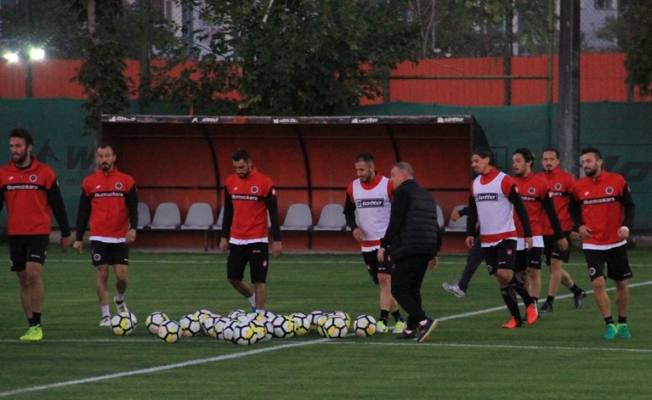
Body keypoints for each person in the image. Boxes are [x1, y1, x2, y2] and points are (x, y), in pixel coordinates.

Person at [0, 128, 71, 341]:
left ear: (29, 147)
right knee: (22, 278)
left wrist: (66, 233)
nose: (14, 150)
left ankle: (38, 325)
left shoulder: (45, 173)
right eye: (12, 146)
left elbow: (58, 205)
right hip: (15, 233)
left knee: (32, 272)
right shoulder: (3, 174)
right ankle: (31, 325)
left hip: (39, 232)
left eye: (19, 146)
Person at [465, 147, 538, 329]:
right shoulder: (475, 184)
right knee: (501, 279)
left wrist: (528, 234)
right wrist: (470, 233)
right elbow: (473, 210)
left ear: (487, 160)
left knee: (505, 273)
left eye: (476, 161)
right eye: (472, 161)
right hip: (487, 239)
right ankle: (516, 318)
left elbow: (521, 207)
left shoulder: (504, 180)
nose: (473, 164)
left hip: (506, 236)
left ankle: (530, 303)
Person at [571, 147, 635, 340]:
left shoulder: (617, 181)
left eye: (589, 161)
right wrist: (579, 225)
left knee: (621, 283)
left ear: (600, 162)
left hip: (615, 242)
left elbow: (630, 206)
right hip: (592, 243)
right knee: (598, 283)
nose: (585, 165)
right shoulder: (579, 186)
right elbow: (573, 208)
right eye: (583, 162)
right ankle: (609, 324)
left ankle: (622, 323)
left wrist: (626, 227)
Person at [73, 144, 138, 326]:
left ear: (114, 157)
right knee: (102, 274)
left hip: (119, 236)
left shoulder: (126, 181)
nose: (104, 159)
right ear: (97, 158)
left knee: (122, 277)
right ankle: (106, 316)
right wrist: (78, 238)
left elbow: (133, 206)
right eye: (100, 156)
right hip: (99, 236)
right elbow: (83, 211)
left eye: (107, 156)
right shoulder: (89, 182)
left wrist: (133, 228)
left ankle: (119, 298)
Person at [378, 162, 440, 343]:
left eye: (393, 175)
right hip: (426, 246)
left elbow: (395, 221)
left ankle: (423, 320)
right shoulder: (425, 195)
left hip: (409, 247)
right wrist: (434, 250)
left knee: (397, 287)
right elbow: (433, 224)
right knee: (413, 289)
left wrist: (384, 244)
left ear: (404, 175)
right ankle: (411, 328)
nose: (391, 180)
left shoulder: (403, 193)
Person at [343, 153, 405, 334]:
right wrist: (354, 227)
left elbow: (400, 209)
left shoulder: (387, 185)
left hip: (386, 243)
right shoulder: (352, 188)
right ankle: (400, 320)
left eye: (362, 169)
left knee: (384, 280)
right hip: (366, 245)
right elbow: (347, 212)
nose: (359, 173)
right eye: (356, 170)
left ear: (371, 167)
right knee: (383, 286)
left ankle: (382, 321)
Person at [220, 149, 282, 314]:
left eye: (241, 167)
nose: (238, 171)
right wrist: (224, 236)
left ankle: (260, 317)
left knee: (259, 280)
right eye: (235, 168)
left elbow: (274, 213)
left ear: (249, 163)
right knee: (233, 278)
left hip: (258, 240)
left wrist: (277, 240)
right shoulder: (230, 182)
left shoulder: (264, 182)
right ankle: (254, 301)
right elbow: (228, 211)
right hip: (236, 239)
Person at [511, 148, 567, 309]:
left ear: (529, 162)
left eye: (518, 161)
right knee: (518, 274)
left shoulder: (540, 184)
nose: (515, 164)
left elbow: (551, 213)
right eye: (513, 161)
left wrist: (561, 235)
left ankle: (532, 306)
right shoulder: (508, 183)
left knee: (533, 271)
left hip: (534, 235)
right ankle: (521, 305)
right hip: (513, 236)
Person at [537, 148, 586, 313]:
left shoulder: (567, 179)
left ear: (558, 161)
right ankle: (577, 291)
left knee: (555, 265)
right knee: (551, 267)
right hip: (543, 231)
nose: (548, 162)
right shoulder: (538, 180)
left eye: (552, 159)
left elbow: (579, 203)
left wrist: (575, 226)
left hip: (562, 230)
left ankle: (549, 302)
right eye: (545, 159)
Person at [441, 206, 484, 297]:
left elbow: (479, 204)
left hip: (497, 232)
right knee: (474, 257)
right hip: (490, 231)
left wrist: (461, 213)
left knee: (503, 270)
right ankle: (461, 286)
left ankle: (462, 287)